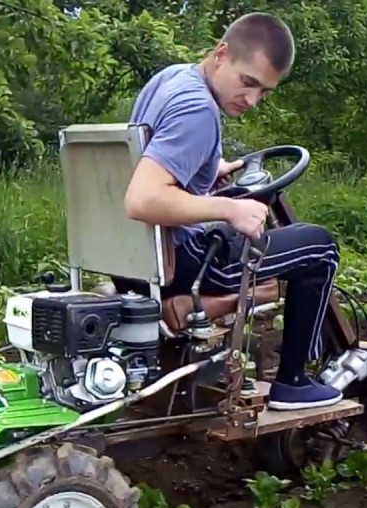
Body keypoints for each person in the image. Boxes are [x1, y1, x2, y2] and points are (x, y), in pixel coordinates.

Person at [123, 12, 343, 411]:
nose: (253, 100)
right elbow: (141, 199)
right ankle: (293, 381)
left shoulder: (173, 79)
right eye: (248, 83)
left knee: (271, 237)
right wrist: (229, 208)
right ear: (222, 54)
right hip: (189, 265)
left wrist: (210, 169)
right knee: (320, 248)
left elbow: (161, 151)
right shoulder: (199, 110)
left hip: (137, 264)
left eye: (265, 93)